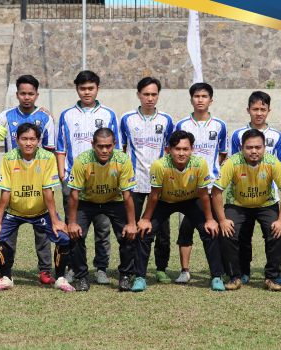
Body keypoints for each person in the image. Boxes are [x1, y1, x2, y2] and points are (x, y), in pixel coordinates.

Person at [0, 74, 57, 285]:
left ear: (36, 94)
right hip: (13, 179)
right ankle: (7, 271)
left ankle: (45, 271)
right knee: (8, 233)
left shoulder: (45, 118)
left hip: (39, 179)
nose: (26, 97)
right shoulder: (6, 116)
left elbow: (51, 150)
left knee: (42, 232)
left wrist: (52, 179)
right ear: (17, 94)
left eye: (30, 93)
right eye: (22, 93)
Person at [0, 123, 74, 292]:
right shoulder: (9, 158)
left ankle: (60, 278)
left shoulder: (48, 158)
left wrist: (55, 220)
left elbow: (48, 191)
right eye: (24, 139)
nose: (28, 143)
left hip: (40, 211)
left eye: (32, 139)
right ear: (17, 140)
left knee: (63, 237)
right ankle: (6, 277)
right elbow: (5, 192)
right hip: (14, 211)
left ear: (38, 140)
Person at [134, 131, 223, 292]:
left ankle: (216, 276)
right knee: (145, 232)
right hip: (164, 201)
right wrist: (146, 219)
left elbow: (203, 194)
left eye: (185, 149)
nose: (181, 153)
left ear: (192, 149)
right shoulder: (160, 165)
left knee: (210, 231)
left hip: (191, 200)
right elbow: (154, 195)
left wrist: (210, 219)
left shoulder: (200, 163)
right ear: (169, 150)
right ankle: (140, 276)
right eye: (177, 149)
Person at [56, 70, 117, 285]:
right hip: (74, 182)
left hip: (101, 182)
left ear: (97, 89)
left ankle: (101, 268)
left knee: (102, 227)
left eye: (90, 88)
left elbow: (115, 148)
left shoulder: (108, 114)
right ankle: (73, 267)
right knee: (73, 227)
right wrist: (63, 175)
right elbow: (61, 147)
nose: (87, 92)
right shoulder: (67, 115)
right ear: (77, 90)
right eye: (83, 88)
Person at [212, 129, 281, 292]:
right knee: (228, 233)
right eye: (249, 147)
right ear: (242, 148)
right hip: (237, 204)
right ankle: (235, 276)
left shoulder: (272, 162)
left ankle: (272, 276)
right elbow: (216, 191)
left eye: (258, 147)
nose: (254, 151)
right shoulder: (232, 162)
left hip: (266, 204)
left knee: (277, 233)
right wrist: (222, 220)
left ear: (264, 147)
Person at [67, 128, 138, 291]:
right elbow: (74, 194)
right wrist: (71, 222)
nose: (104, 150)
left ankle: (126, 276)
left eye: (108, 146)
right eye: (100, 146)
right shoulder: (82, 160)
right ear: (93, 145)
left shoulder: (123, 160)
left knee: (128, 235)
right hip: (87, 201)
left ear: (114, 144)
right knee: (75, 235)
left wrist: (132, 223)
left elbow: (127, 195)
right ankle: (81, 276)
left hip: (114, 201)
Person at [119, 77, 174, 285]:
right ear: (138, 95)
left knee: (162, 230)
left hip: (160, 186)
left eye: (154, 94)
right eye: (146, 94)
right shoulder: (127, 119)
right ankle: (131, 269)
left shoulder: (167, 120)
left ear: (158, 95)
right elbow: (122, 150)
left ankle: (161, 268)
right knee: (132, 228)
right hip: (134, 184)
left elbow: (171, 150)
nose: (150, 98)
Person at [229, 91, 281, 284]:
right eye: (255, 109)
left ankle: (272, 274)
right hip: (240, 197)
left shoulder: (276, 137)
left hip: (267, 197)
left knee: (274, 234)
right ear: (248, 110)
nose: (259, 113)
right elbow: (232, 164)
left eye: (263, 109)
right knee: (242, 236)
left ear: (269, 110)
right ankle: (242, 271)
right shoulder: (237, 135)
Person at [173, 82, 227, 284]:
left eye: (204, 96)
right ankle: (184, 270)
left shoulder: (219, 125)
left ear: (211, 100)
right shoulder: (182, 125)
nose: (200, 100)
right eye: (196, 96)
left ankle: (218, 272)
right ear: (191, 99)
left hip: (211, 186)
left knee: (212, 228)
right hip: (186, 187)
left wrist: (209, 173)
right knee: (185, 228)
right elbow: (175, 152)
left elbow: (222, 154)